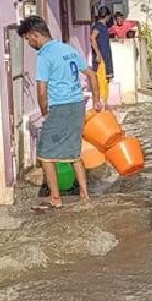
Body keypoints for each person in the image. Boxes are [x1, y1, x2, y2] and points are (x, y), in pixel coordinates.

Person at [16, 16, 103, 212]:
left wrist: (45, 113)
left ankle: (55, 198)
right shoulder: (68, 50)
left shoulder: (45, 56)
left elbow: (41, 90)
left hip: (60, 107)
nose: (30, 44)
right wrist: (97, 99)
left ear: (35, 35)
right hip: (77, 104)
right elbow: (91, 74)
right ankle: (84, 194)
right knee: (73, 152)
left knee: (46, 155)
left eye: (29, 40)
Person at [90, 6, 114, 100]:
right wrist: (98, 53)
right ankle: (101, 105)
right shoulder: (98, 26)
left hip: (105, 57)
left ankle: (104, 103)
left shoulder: (103, 27)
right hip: (101, 59)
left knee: (105, 81)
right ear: (107, 16)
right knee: (101, 81)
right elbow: (92, 38)